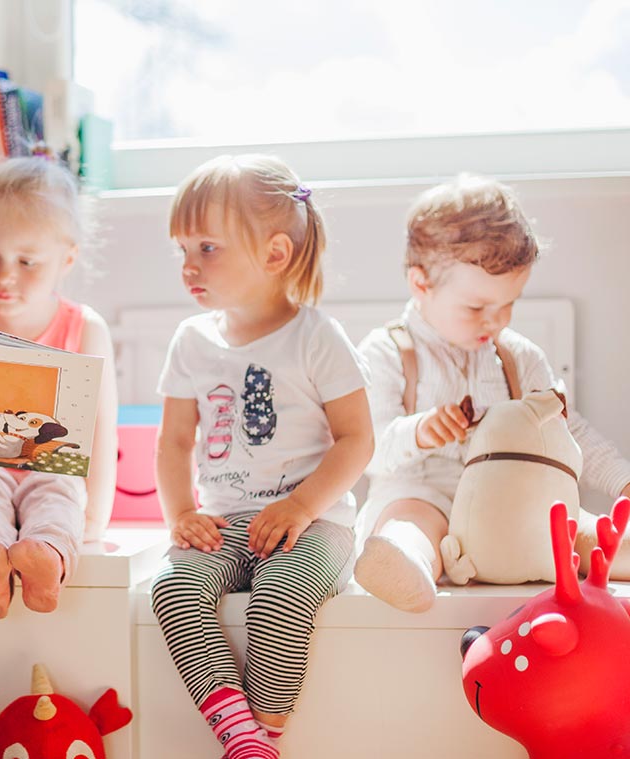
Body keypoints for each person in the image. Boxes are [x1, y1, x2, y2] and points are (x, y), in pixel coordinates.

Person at [150, 155, 373, 759]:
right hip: (225, 523)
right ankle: (243, 739)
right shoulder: (190, 342)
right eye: (182, 251)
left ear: (274, 255)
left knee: (280, 597)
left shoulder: (316, 337)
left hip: (311, 524)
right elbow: (173, 441)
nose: (189, 266)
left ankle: (266, 732)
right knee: (172, 589)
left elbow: (358, 439)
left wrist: (301, 507)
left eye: (207, 248)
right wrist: (180, 514)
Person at [353, 174, 630, 613]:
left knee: (568, 524)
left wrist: (621, 480)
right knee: (409, 518)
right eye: (476, 308)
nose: (495, 321)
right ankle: (407, 565)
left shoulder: (517, 356)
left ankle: (618, 547)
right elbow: (368, 450)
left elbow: (568, 432)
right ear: (421, 284)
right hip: (426, 496)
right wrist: (420, 432)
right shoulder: (386, 352)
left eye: (509, 304)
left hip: (510, 509)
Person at [0, 156, 119, 622]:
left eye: (27, 261)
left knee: (58, 493)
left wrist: (94, 522)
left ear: (66, 259)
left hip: (54, 469)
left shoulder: (84, 330)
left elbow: (101, 431)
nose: (4, 275)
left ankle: (46, 556)